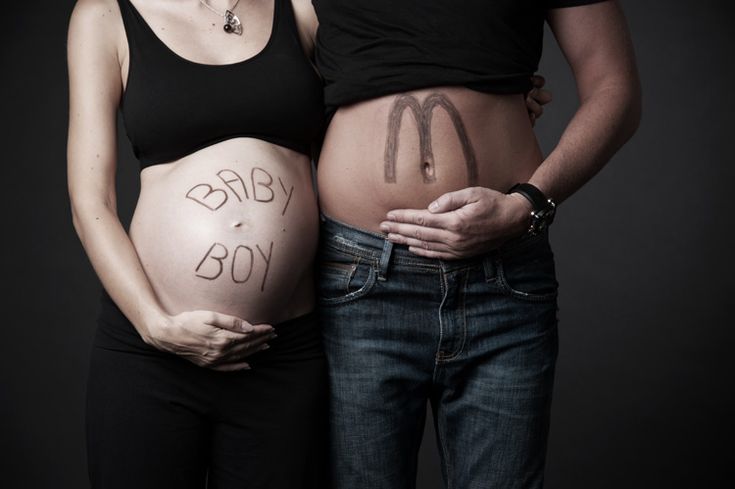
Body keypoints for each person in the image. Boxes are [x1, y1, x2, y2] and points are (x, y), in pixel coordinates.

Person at [311, 1, 641, 488]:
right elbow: (276, 89)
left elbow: (616, 89)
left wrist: (526, 204)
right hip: (359, 280)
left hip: (502, 278)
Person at [67, 0, 328, 487]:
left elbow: (371, 95)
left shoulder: (301, 8)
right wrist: (153, 324)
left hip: (282, 354)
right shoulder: (103, 14)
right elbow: (91, 201)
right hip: (153, 356)